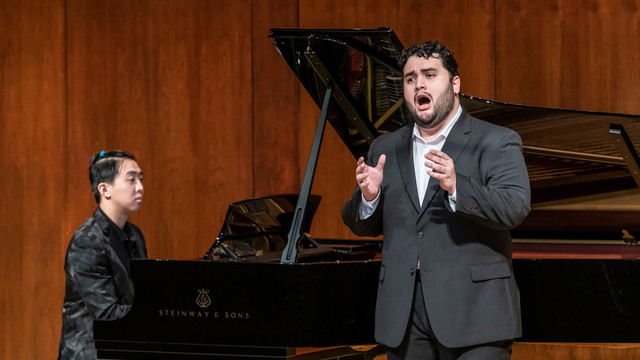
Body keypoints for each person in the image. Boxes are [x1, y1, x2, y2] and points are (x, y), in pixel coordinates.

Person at [342, 41, 531, 359]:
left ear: (455, 83)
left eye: (430, 74)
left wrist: (458, 186)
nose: (419, 84)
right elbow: (359, 225)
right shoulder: (385, 148)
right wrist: (369, 198)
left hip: (476, 314)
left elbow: (515, 207)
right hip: (404, 317)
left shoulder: (496, 141)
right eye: (410, 78)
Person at [58, 150, 147, 360]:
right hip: (90, 352)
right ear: (105, 189)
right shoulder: (87, 241)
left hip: (122, 346)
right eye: (131, 180)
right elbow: (107, 314)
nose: (140, 187)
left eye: (141, 179)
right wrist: (157, 314)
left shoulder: (135, 235)